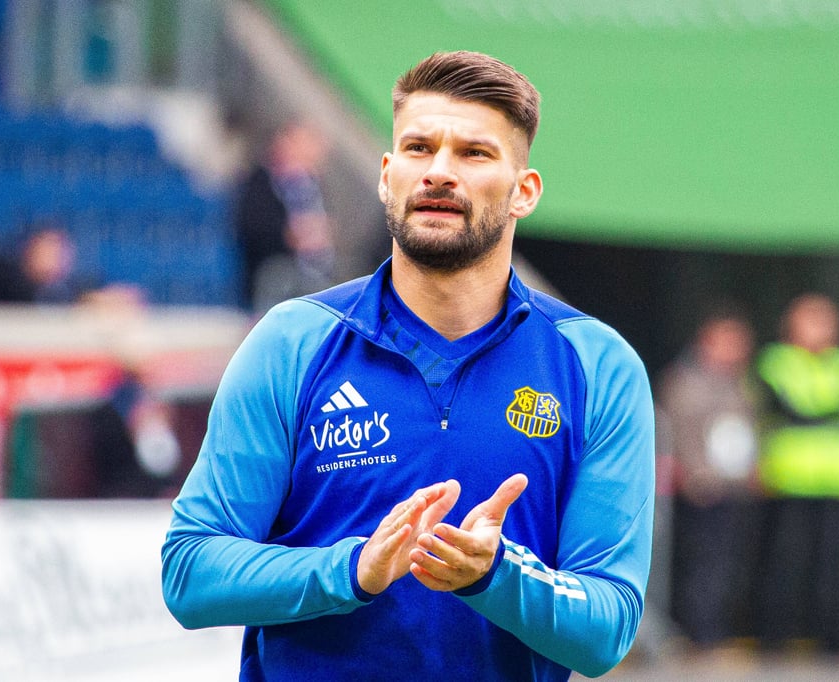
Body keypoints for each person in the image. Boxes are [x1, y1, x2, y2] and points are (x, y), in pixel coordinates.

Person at [162, 51, 655, 681]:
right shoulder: (291, 343)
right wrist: (351, 570)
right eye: (419, 148)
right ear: (387, 174)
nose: (440, 173)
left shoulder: (597, 366)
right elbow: (191, 572)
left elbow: (607, 628)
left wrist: (495, 576)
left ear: (523, 192)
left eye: (475, 154)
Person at [753, 293, 839, 654]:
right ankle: (775, 639)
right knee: (786, 565)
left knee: (838, 568)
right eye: (810, 320)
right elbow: (798, 405)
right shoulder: (776, 362)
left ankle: (837, 641)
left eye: (825, 320)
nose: (819, 329)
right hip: (790, 479)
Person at [656, 308, 760, 651]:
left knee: (729, 565)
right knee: (701, 565)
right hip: (700, 489)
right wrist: (693, 475)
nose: (735, 349)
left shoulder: (742, 382)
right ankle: (699, 634)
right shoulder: (683, 381)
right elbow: (676, 433)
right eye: (728, 341)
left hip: (735, 488)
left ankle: (717, 631)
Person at [233, 121, 336, 313]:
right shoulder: (263, 179)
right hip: (276, 268)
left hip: (314, 270)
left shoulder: (311, 184)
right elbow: (251, 224)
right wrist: (288, 234)